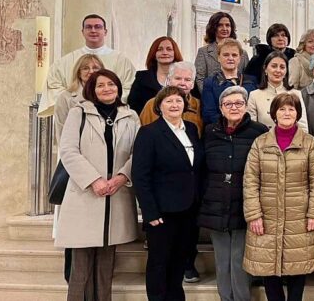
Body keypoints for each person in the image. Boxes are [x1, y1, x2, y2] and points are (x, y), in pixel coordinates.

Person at [55, 69, 139, 301]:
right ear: (92, 89)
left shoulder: (130, 116)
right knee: (81, 265)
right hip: (86, 193)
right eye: (100, 85)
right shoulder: (79, 113)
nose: (107, 89)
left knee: (106, 263)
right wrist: (94, 180)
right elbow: (68, 150)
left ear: (118, 87)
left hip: (116, 193)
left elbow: (138, 153)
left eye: (111, 84)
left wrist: (121, 177)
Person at [244, 93, 314, 301]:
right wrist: (254, 215)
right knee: (268, 267)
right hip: (266, 216)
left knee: (298, 267)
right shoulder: (260, 143)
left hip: (299, 216)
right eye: (282, 109)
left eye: (291, 109)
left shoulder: (309, 143)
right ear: (274, 114)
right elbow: (250, 181)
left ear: (298, 113)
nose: (287, 113)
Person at [132, 86, 205, 301]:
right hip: (162, 212)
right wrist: (150, 212)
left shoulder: (191, 128)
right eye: (169, 101)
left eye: (178, 101)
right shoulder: (149, 133)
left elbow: (194, 168)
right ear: (159, 106)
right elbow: (140, 176)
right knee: (159, 264)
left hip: (189, 209)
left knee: (179, 262)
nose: (174, 105)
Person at [198, 86, 268, 301]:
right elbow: (201, 167)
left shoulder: (259, 131)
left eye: (239, 103)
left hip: (244, 202)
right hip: (215, 203)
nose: (234, 107)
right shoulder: (210, 131)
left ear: (246, 106)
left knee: (239, 259)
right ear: (221, 108)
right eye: (228, 104)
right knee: (222, 260)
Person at [39, 14, 135, 117]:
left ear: (105, 32)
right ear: (83, 32)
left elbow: (129, 88)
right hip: (75, 114)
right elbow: (54, 85)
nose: (93, 30)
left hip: (111, 114)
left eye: (98, 27)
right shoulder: (66, 61)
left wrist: (106, 100)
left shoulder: (121, 61)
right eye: (89, 27)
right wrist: (76, 100)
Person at [246, 50, 309, 132]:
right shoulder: (254, 95)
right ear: (265, 69)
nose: (278, 70)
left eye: (282, 67)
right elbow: (252, 129)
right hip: (263, 139)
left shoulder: (296, 94)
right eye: (274, 66)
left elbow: (303, 128)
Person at [201, 38, 258, 125]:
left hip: (248, 128)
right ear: (218, 57)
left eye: (234, 55)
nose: (230, 58)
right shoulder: (210, 83)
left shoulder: (251, 81)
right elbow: (209, 114)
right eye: (226, 55)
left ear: (240, 58)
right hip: (221, 129)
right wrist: (231, 125)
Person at [139, 61, 204, 136]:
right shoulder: (151, 105)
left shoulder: (200, 106)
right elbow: (144, 135)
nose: (182, 83)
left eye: (187, 80)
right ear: (169, 81)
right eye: (178, 78)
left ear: (192, 84)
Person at [195, 12, 249, 93]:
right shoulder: (203, 52)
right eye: (220, 25)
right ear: (213, 28)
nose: (224, 28)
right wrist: (209, 96)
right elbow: (200, 79)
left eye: (227, 25)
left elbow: (246, 78)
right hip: (212, 95)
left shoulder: (243, 53)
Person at [54, 54, 104, 141]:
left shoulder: (109, 95)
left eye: (95, 68)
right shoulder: (65, 97)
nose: (91, 71)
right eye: (85, 68)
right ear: (78, 73)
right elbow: (61, 131)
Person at [128, 36, 184, 114]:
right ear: (154, 54)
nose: (164, 53)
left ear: (175, 53)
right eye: (159, 49)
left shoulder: (185, 77)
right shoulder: (142, 77)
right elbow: (133, 105)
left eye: (169, 49)